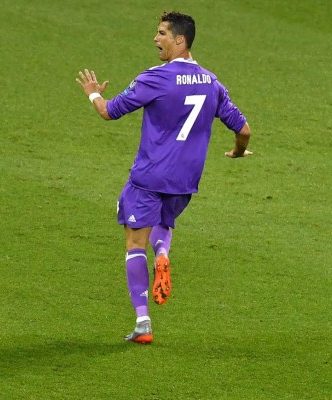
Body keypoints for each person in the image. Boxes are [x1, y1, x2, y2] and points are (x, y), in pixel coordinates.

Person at [76, 11, 252, 344]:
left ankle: (143, 323)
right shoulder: (212, 82)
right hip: (186, 181)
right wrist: (239, 152)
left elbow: (109, 111)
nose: (155, 39)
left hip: (149, 176)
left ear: (179, 40)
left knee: (133, 241)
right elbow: (244, 130)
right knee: (163, 223)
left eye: (161, 33)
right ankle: (163, 254)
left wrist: (93, 93)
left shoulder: (156, 78)